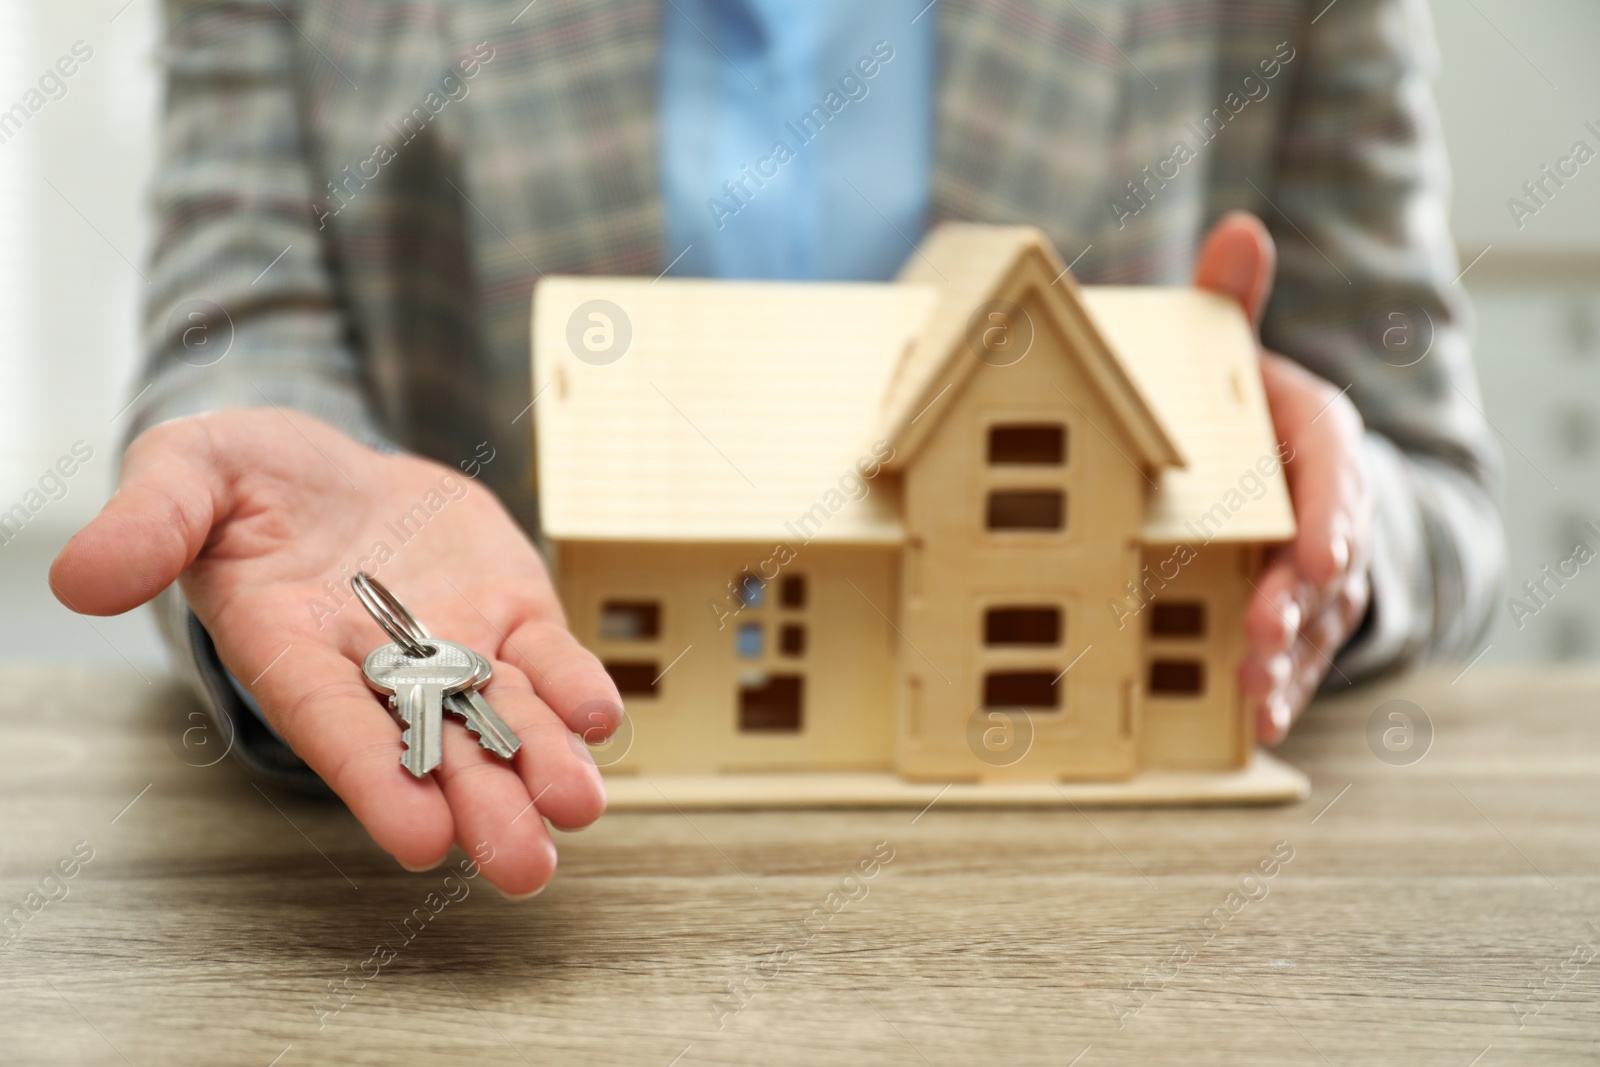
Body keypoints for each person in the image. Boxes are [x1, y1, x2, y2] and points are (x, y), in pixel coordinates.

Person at [49, 0, 1502, 897]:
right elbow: (242, 324)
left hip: (1097, 916)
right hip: (540, 885)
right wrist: (277, 473)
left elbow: (1435, 481)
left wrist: (1325, 508)